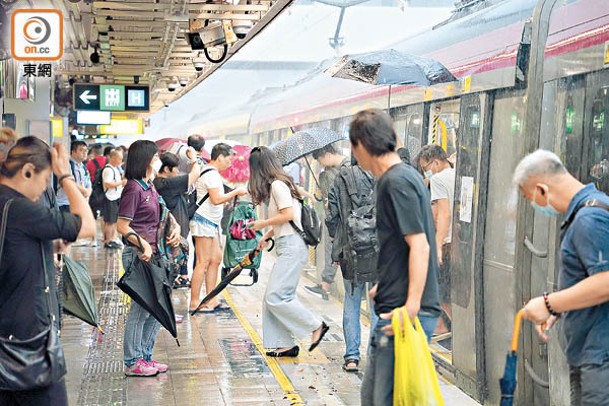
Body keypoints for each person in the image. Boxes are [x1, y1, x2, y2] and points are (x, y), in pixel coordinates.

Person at [349, 109, 440, 405]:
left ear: (361, 144)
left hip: (402, 316)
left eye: (353, 146)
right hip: (395, 308)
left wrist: (411, 304)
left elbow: (420, 245)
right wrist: (384, 284)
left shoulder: (394, 182)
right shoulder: (407, 176)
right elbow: (402, 245)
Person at [0, 137, 95, 404]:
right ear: (27, 170)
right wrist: (64, 175)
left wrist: (44, 245)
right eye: (44, 181)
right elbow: (87, 226)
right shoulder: (20, 208)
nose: (43, 191)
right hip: (28, 348)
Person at [514, 149, 609, 405]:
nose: (534, 206)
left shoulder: (589, 218)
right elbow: (588, 278)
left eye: (529, 198)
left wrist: (548, 303)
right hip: (589, 355)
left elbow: (605, 282)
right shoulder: (587, 211)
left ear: (542, 190)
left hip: (600, 359)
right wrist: (558, 310)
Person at [247, 146, 329, 358]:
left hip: (293, 246)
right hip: (288, 243)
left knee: (276, 295)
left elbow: (288, 215)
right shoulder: (280, 184)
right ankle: (284, 344)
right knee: (274, 296)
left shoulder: (277, 186)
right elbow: (285, 221)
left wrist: (262, 223)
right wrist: (266, 236)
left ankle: (315, 325)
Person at [117, 140, 181, 377]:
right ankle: (133, 361)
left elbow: (164, 215)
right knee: (142, 308)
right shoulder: (133, 188)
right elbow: (122, 226)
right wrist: (141, 242)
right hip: (138, 255)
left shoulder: (149, 186)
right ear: (145, 159)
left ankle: (145, 356)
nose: (158, 160)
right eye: (155, 156)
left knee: (157, 307)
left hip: (156, 255)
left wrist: (175, 229)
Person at [326, 155, 379, 373]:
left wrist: (336, 243)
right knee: (378, 305)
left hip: (350, 250)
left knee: (352, 301)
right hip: (378, 249)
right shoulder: (383, 175)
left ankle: (351, 357)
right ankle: (375, 357)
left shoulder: (341, 178)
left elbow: (331, 217)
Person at [189, 143, 246, 313]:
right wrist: (236, 192)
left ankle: (210, 299)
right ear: (220, 156)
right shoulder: (211, 174)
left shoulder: (212, 173)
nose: (230, 162)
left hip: (211, 223)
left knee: (215, 259)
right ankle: (194, 302)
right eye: (229, 158)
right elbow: (216, 199)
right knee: (202, 262)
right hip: (203, 221)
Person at [418, 143, 456, 336]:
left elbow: (442, 214)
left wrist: (437, 244)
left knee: (439, 290)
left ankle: (445, 328)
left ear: (436, 162)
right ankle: (447, 327)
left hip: (446, 242)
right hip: (457, 242)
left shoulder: (439, 179)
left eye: (426, 168)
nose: (426, 173)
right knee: (448, 290)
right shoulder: (457, 174)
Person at [303, 144, 346, 300]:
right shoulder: (328, 173)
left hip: (342, 219)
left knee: (334, 251)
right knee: (331, 250)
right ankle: (325, 285)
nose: (320, 164)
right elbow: (321, 197)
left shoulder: (346, 168)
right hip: (332, 219)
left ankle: (325, 285)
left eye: (320, 160)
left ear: (327, 154)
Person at [154, 151, 201, 288]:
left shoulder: (159, 183)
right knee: (171, 264)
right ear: (167, 169)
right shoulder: (167, 183)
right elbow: (195, 175)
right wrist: (193, 159)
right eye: (176, 168)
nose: (178, 171)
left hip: (170, 232)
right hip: (173, 234)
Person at [57, 141, 92, 213]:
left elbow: (88, 184)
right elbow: (68, 182)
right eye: (81, 150)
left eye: (86, 150)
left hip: (80, 203)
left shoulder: (83, 167)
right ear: (73, 152)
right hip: (66, 203)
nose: (84, 153)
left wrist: (88, 192)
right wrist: (84, 191)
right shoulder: (67, 165)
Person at [102, 149, 126, 249]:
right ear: (113, 158)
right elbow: (107, 183)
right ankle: (108, 240)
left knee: (114, 221)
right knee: (110, 221)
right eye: (119, 159)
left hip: (115, 196)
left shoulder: (116, 169)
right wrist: (121, 183)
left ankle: (112, 239)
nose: (121, 161)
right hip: (110, 197)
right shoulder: (108, 170)